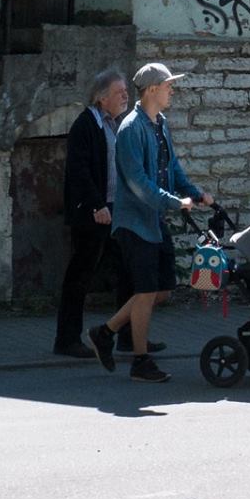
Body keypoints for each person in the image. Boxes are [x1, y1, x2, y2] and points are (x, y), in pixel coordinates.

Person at [89, 62, 211, 384]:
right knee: (145, 291)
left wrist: (194, 193)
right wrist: (175, 202)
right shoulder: (131, 129)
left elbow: (173, 168)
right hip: (134, 223)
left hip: (154, 221)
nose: (172, 91)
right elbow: (138, 183)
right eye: (169, 86)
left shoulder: (160, 124)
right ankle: (140, 362)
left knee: (163, 290)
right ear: (152, 89)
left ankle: (106, 332)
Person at [51, 68, 128, 357]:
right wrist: (97, 204)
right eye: (119, 92)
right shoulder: (85, 125)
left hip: (114, 210)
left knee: (129, 270)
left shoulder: (114, 124)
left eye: (126, 92)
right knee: (80, 275)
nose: (125, 97)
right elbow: (79, 171)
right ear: (102, 97)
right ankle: (67, 339)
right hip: (93, 213)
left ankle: (129, 336)